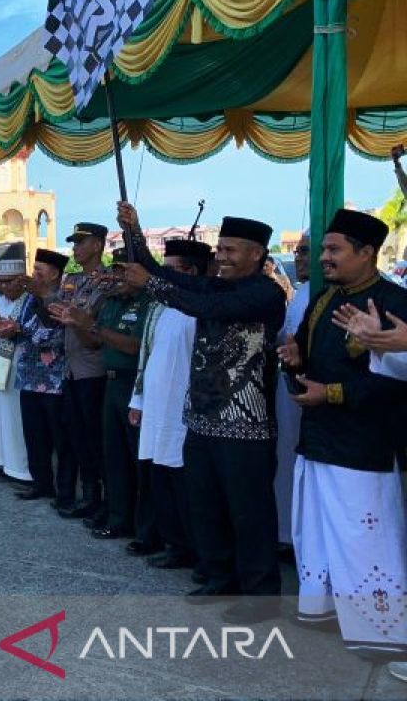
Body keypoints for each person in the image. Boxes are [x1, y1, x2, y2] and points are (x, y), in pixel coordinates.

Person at [118, 202, 284, 623]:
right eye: (220, 249)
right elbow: (163, 272)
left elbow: (205, 309)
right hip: (203, 421)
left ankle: (260, 596)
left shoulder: (264, 294)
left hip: (245, 427)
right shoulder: (218, 285)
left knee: (249, 513)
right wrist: (134, 231)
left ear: (257, 255)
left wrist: (153, 286)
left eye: (231, 250)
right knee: (206, 506)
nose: (222, 256)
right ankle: (218, 577)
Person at [280, 209, 407, 653]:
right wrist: (295, 356)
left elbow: (392, 382)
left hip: (363, 444)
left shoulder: (392, 301)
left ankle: (382, 631)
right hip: (318, 438)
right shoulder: (322, 299)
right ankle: (326, 611)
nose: (324, 259)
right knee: (316, 530)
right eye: (324, 250)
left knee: (362, 535)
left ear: (367, 253)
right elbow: (304, 348)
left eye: (334, 250)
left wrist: (330, 393)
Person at [56, 251, 153, 549]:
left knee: (140, 459)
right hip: (110, 383)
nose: (118, 278)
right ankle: (117, 517)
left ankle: (145, 528)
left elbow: (134, 345)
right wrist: (78, 323)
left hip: (133, 385)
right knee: (113, 457)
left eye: (124, 272)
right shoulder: (111, 302)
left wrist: (94, 326)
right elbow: (94, 342)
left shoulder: (147, 304)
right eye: (116, 271)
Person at [128, 238, 212, 572]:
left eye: (172, 270)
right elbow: (146, 357)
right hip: (156, 408)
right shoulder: (160, 308)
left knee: (183, 481)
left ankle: (192, 548)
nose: (165, 276)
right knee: (159, 476)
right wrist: (139, 400)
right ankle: (173, 543)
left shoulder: (198, 308)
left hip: (183, 411)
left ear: (191, 273)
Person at [55, 222, 113, 519]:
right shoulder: (71, 279)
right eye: (74, 243)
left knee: (94, 436)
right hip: (70, 369)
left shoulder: (106, 282)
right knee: (75, 432)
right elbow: (60, 312)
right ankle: (88, 492)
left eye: (81, 242)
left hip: (92, 369)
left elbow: (88, 317)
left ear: (98, 245)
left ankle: (101, 497)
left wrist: (73, 316)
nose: (75, 248)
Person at [13, 250, 71, 502]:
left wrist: (22, 330)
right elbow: (21, 324)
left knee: (61, 439)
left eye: (39, 270)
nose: (33, 274)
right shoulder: (29, 298)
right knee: (34, 435)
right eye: (33, 269)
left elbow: (53, 335)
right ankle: (41, 483)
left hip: (55, 381)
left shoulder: (65, 296)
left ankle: (66, 491)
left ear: (54, 273)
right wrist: (10, 329)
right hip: (28, 375)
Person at [273, 231, 311, 547]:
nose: (299, 257)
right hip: (290, 392)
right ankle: (287, 534)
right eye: (297, 251)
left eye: (305, 251)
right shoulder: (301, 293)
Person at [0, 248, 29, 483]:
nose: (4, 287)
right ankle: (1, 462)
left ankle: (20, 468)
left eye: (9, 282)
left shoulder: (29, 302)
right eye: (1, 282)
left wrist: (12, 329)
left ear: (21, 281)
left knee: (16, 417)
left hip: (19, 367)